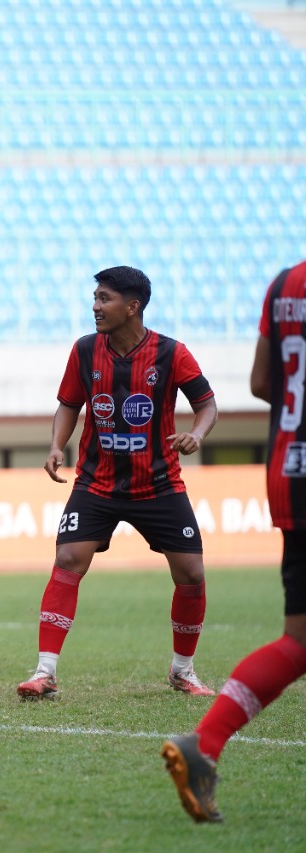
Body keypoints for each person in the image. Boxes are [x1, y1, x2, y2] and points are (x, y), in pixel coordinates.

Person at [16, 267, 218, 701]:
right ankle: (44, 671)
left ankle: (183, 670)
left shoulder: (171, 353)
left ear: (133, 306)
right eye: (94, 297)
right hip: (97, 482)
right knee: (69, 558)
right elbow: (69, 405)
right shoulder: (85, 351)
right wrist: (56, 445)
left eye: (104, 298)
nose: (95, 306)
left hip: (159, 483)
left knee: (192, 573)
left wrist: (197, 434)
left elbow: (206, 403)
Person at [161, 261, 306, 823]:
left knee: (298, 641)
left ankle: (206, 743)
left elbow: (263, 383)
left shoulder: (283, 283)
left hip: (289, 472)